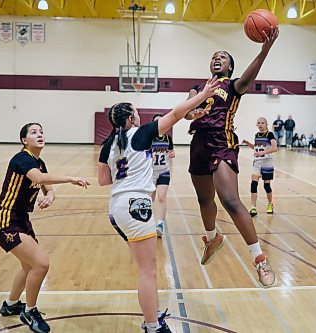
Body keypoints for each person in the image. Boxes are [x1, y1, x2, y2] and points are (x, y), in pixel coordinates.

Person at [97, 77, 219, 333]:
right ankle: (152, 326)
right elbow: (177, 113)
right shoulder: (141, 133)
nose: (140, 117)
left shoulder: (108, 144)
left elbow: (103, 180)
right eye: (137, 113)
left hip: (116, 208)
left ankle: (151, 317)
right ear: (131, 118)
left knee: (146, 269)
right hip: (136, 206)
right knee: (148, 272)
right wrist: (203, 93)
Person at [183, 28, 278, 288]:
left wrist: (264, 50)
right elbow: (187, 112)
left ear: (229, 66)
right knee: (204, 199)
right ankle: (212, 238)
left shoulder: (234, 86)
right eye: (215, 56)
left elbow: (250, 74)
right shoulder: (197, 88)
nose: (217, 58)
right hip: (198, 143)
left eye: (223, 56)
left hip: (222, 142)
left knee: (230, 200)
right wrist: (194, 115)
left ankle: (259, 259)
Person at [0, 123, 89, 333]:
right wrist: (71, 178)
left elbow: (47, 186)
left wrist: (49, 196)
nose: (40, 134)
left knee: (29, 266)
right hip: (5, 219)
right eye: (34, 132)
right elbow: (40, 179)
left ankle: (10, 305)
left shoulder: (38, 162)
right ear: (24, 140)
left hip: (22, 219)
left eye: (41, 131)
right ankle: (29, 310)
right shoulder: (22, 159)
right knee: (41, 264)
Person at [242, 117, 278, 216]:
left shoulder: (269, 134)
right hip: (257, 162)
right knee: (253, 184)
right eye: (258, 123)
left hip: (267, 162)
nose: (260, 124)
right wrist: (248, 143)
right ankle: (253, 207)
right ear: (256, 125)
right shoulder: (257, 135)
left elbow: (275, 148)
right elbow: (256, 148)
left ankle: (270, 204)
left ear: (266, 124)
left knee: (267, 186)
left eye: (262, 123)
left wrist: (264, 152)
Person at [150, 114, 175, 237]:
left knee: (161, 198)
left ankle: (160, 224)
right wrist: (149, 156)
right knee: (150, 198)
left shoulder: (168, 138)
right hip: (151, 172)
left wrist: (172, 153)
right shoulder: (149, 138)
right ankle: (147, 222)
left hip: (164, 171)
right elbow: (141, 153)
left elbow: (171, 150)